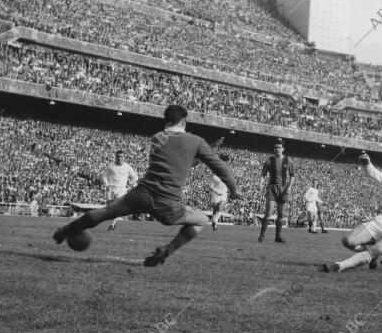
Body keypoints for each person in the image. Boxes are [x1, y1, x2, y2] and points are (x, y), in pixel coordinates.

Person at [53, 105, 242, 266]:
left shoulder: (157, 138)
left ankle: (65, 230)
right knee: (201, 219)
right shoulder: (196, 141)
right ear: (184, 121)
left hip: (140, 195)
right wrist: (234, 188)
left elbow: (176, 161)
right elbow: (218, 165)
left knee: (107, 211)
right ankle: (166, 251)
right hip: (168, 203)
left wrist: (197, 157)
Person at [258, 138, 295, 243]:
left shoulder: (288, 160)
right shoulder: (269, 160)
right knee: (268, 212)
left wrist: (290, 186)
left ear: (283, 149)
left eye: (279, 147)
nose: (277, 149)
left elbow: (293, 175)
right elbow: (263, 174)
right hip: (272, 189)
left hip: (284, 189)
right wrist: (260, 183)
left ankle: (278, 237)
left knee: (281, 214)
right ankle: (262, 235)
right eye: (275, 147)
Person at [104, 150, 138, 232]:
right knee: (109, 208)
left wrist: (131, 183)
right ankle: (113, 222)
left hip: (122, 189)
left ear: (124, 157)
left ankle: (112, 224)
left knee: (117, 207)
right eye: (118, 156)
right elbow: (104, 176)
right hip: (111, 188)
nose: (120, 158)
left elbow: (135, 177)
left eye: (121, 156)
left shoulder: (127, 167)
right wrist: (107, 185)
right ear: (115, 157)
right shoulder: (110, 166)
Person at [210, 153, 231, 231]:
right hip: (216, 193)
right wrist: (216, 191)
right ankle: (214, 223)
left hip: (223, 193)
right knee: (215, 210)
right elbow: (211, 186)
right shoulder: (214, 177)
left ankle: (214, 221)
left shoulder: (225, 172)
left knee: (220, 208)